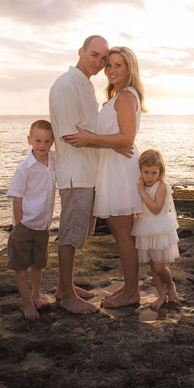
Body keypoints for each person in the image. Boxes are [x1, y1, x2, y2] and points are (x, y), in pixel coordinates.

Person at [63, 46, 144, 308]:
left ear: (129, 68)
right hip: (111, 165)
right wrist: (104, 142)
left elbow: (127, 138)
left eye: (118, 65)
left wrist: (90, 138)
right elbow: (116, 137)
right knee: (122, 232)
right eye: (109, 65)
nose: (111, 70)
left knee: (124, 234)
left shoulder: (126, 97)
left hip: (120, 169)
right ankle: (129, 288)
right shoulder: (117, 96)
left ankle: (132, 292)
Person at [48, 35, 109, 315]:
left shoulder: (86, 86)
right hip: (75, 173)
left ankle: (65, 286)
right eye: (94, 55)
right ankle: (67, 296)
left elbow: (87, 130)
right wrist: (114, 144)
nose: (99, 62)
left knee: (80, 231)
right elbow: (70, 135)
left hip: (89, 170)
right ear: (81, 52)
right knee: (71, 234)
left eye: (103, 58)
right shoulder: (65, 84)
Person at [6, 120, 57, 321]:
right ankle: (27, 303)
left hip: (43, 225)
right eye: (37, 140)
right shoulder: (25, 168)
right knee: (21, 266)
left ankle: (36, 295)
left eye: (46, 141)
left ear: (52, 142)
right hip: (25, 225)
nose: (42, 145)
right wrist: (18, 225)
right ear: (29, 140)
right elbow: (17, 198)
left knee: (38, 264)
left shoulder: (53, 160)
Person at [132, 149, 179, 311]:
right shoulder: (140, 184)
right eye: (146, 172)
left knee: (159, 266)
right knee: (152, 266)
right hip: (144, 228)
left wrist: (142, 192)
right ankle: (161, 295)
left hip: (159, 228)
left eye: (154, 173)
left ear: (160, 172)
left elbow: (156, 209)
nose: (150, 176)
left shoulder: (162, 186)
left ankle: (170, 284)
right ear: (140, 171)